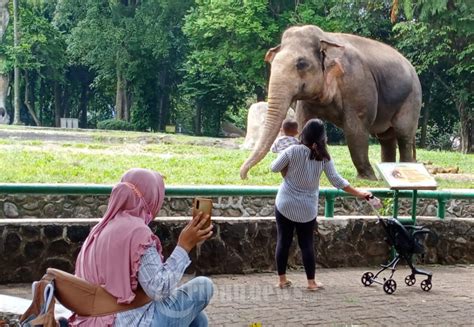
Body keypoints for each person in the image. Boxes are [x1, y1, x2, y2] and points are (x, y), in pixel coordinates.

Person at [70, 168, 214, 326]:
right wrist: (184, 246)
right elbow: (159, 289)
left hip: (94, 320)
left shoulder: (98, 230)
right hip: (128, 321)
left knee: (199, 319)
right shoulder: (137, 232)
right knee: (203, 286)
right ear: (152, 198)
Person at [270, 119, 371, 291]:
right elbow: (337, 181)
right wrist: (359, 193)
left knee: (283, 241)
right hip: (307, 208)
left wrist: (286, 170)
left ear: (304, 133)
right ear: (322, 136)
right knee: (307, 244)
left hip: (285, 203)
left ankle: (282, 280)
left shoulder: (292, 150)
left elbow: (274, 167)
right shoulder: (323, 157)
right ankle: (311, 283)